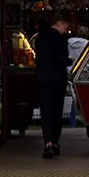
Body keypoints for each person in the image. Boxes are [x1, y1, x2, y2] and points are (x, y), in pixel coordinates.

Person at [35, 10, 74, 159]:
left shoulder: (40, 38)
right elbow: (62, 58)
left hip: (42, 79)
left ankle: (48, 142)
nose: (66, 29)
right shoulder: (60, 39)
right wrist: (70, 62)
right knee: (57, 111)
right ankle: (56, 142)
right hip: (57, 79)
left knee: (46, 111)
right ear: (59, 24)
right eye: (65, 26)